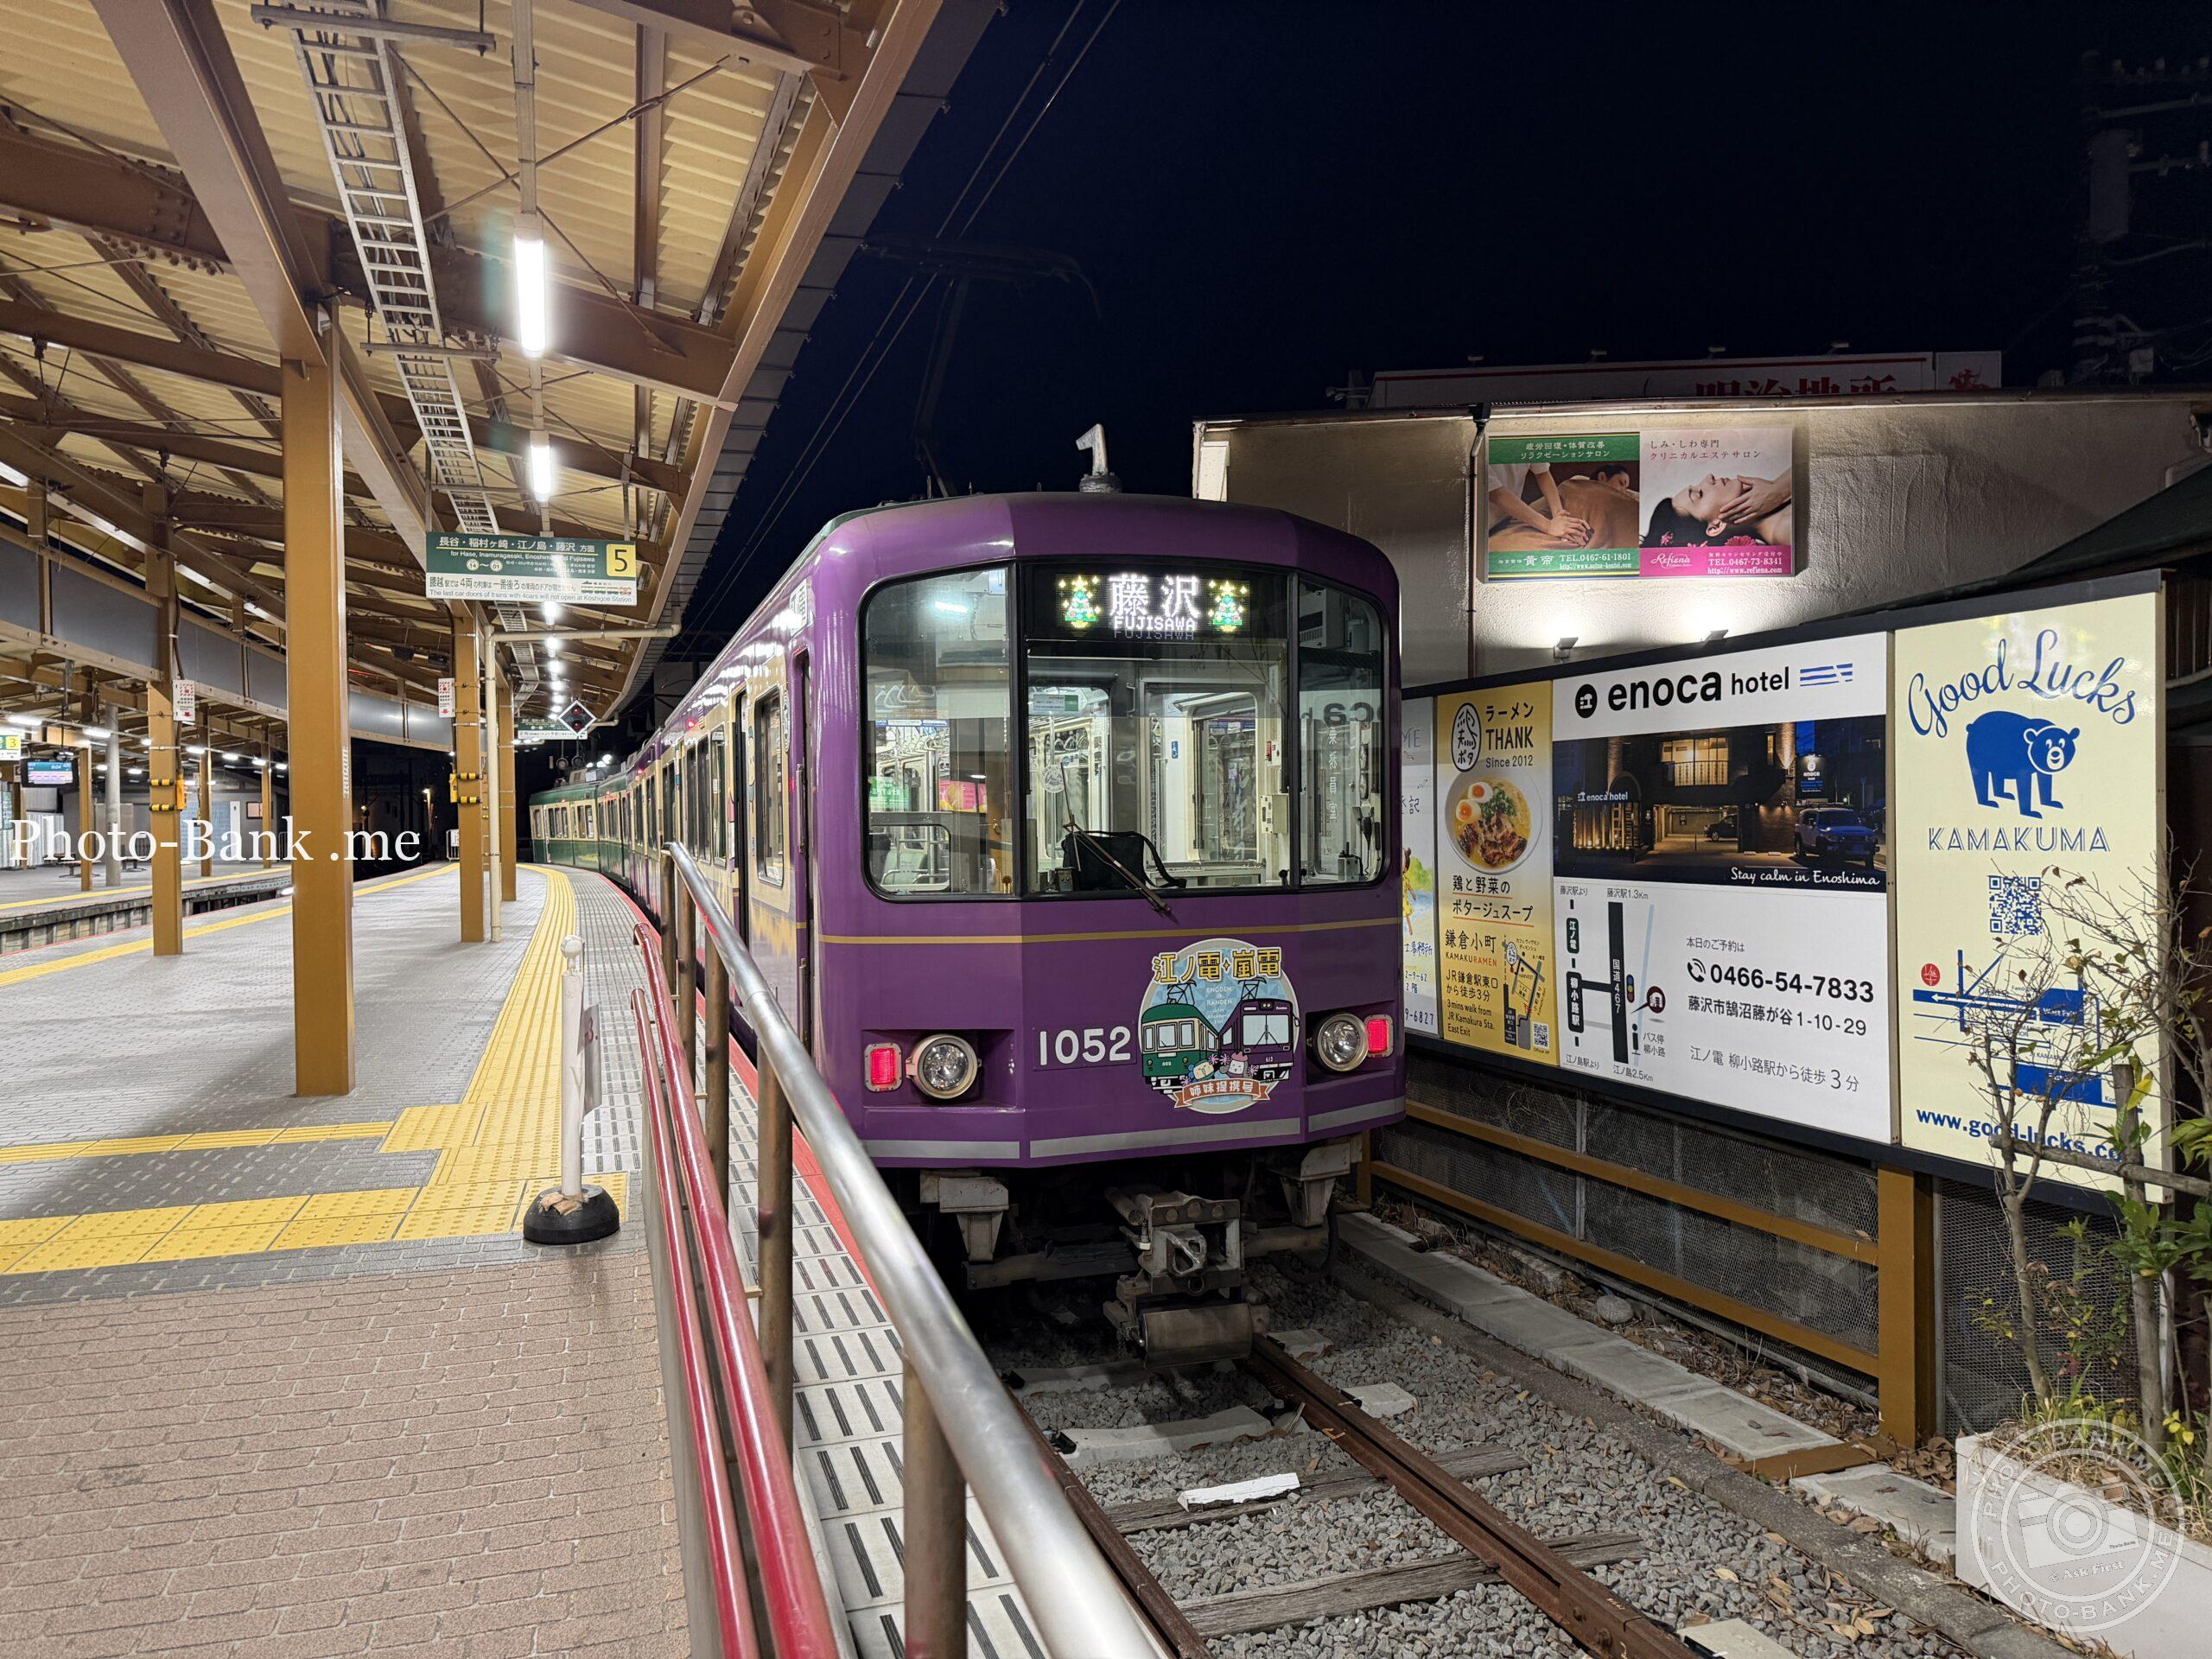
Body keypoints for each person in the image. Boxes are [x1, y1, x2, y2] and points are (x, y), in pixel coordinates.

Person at [1642, 471, 1793, 547]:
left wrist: (1777, 488)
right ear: (1716, 526)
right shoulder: (1786, 528)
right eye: (1699, 494)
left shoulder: (1780, 508)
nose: (1709, 477)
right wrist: (1778, 490)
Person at [1487, 456, 1591, 547]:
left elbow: (1543, 473)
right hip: (1485, 526)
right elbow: (1497, 494)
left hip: (1509, 517)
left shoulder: (1528, 438)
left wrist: (1559, 514)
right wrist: (1548, 526)